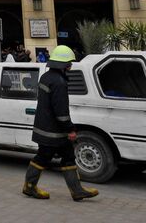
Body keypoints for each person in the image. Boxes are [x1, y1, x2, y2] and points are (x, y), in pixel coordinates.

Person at [22, 45, 98, 201]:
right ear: (63, 65)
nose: (70, 66)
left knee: (68, 156)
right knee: (43, 157)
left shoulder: (46, 77)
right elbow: (61, 111)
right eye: (69, 63)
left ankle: (77, 191)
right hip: (53, 131)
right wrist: (70, 129)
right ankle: (29, 187)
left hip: (45, 127)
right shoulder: (59, 83)